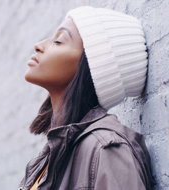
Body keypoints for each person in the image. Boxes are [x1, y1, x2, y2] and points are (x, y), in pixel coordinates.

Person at [18, 6, 156, 190]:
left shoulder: (107, 150)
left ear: (90, 66)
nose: (39, 45)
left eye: (58, 41)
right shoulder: (53, 153)